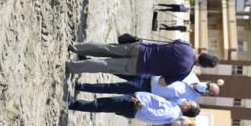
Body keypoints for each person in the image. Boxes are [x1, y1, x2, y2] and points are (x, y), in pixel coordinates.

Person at [65, 39, 218, 83]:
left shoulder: (186, 46)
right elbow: (162, 82)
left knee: (107, 48)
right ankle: (72, 66)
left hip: (142, 48)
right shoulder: (184, 72)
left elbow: (171, 43)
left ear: (203, 53)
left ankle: (76, 47)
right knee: (106, 65)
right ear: (202, 65)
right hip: (141, 67)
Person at [67, 92, 201, 125]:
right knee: (105, 103)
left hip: (133, 106)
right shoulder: (175, 108)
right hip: (134, 104)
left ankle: (74, 104)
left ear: (187, 107)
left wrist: (138, 104)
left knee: (104, 104)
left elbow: (154, 114)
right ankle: (76, 104)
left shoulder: (173, 113)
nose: (187, 101)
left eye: (189, 102)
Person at [75, 73, 221, 103]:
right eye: (208, 85)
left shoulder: (191, 98)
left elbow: (171, 102)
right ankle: (88, 61)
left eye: (208, 90)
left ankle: (82, 86)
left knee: (113, 87)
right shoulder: (192, 76)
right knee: (117, 69)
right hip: (149, 76)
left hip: (147, 89)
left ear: (207, 95)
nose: (206, 88)